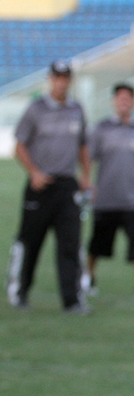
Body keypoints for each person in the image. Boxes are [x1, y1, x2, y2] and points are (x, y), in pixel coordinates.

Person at [6, 60, 91, 314]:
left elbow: (83, 146)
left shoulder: (77, 110)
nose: (61, 82)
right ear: (50, 79)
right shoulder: (36, 109)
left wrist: (86, 175)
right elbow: (19, 145)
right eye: (57, 77)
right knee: (30, 242)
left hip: (67, 185)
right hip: (41, 185)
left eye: (66, 78)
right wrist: (34, 172)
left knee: (70, 244)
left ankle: (72, 300)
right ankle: (19, 292)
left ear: (70, 80)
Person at [86, 83, 134, 300]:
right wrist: (88, 184)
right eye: (120, 98)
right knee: (97, 244)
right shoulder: (102, 128)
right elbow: (88, 158)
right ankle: (89, 278)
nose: (124, 102)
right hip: (106, 198)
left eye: (128, 98)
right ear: (113, 101)